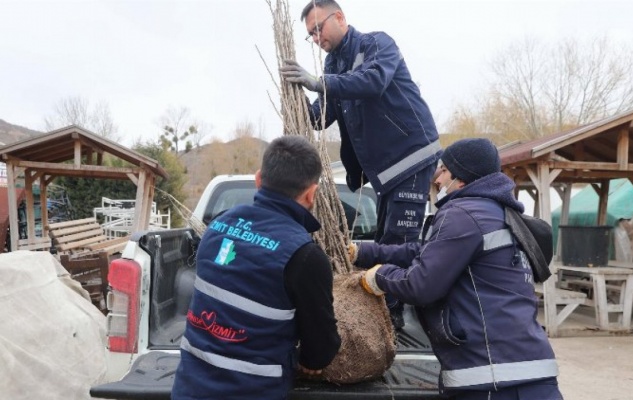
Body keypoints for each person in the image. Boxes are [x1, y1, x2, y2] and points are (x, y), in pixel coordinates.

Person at [352, 138, 564, 400]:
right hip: (525, 372)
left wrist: (380, 276)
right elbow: (423, 252)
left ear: (461, 178)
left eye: (443, 170)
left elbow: (421, 285)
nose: (437, 179)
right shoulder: (495, 212)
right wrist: (363, 251)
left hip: (494, 380)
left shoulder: (463, 213)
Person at [280, 0, 441, 329]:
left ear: (339, 17)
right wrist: (294, 103)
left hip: (409, 156)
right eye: (310, 34)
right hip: (384, 173)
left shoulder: (376, 44)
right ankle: (384, 309)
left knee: (396, 241)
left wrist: (318, 83)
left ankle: (391, 321)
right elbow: (322, 115)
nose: (315, 38)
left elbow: (372, 82)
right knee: (383, 240)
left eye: (318, 28)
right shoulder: (331, 66)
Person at [171, 135, 341, 400]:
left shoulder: (216, 228)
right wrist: (309, 360)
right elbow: (321, 351)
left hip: (189, 390)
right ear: (311, 194)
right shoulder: (305, 256)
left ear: (259, 179)